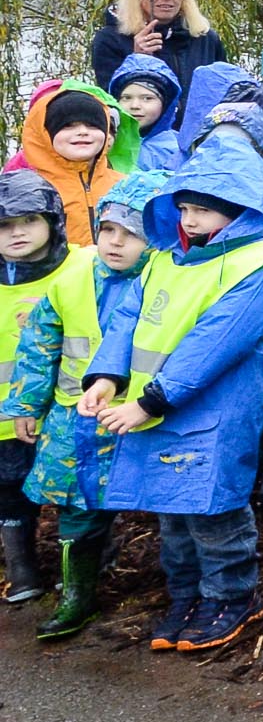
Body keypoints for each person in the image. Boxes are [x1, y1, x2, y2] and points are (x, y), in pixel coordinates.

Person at [77, 129, 263, 654]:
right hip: (155, 409)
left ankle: (231, 597)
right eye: (184, 208)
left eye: (203, 210)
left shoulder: (259, 270)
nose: (189, 220)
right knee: (172, 511)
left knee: (213, 511)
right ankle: (186, 597)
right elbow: (127, 321)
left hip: (209, 415)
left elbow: (211, 347)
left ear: (240, 209)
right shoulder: (164, 259)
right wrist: (106, 379)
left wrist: (147, 402)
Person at [4, 171, 161, 639]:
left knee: (169, 509)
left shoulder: (166, 278)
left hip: (150, 415)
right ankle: (78, 593)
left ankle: (185, 590)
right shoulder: (73, 279)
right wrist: (25, 404)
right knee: (77, 506)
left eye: (133, 233)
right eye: (108, 230)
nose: (116, 243)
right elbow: (39, 345)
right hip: (78, 416)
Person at [0, 171, 78, 602]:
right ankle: (21, 566)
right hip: (6, 420)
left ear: (52, 221)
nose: (16, 233)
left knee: (73, 489)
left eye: (28, 220)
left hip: (67, 409)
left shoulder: (81, 268)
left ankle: (81, 566)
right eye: (4, 226)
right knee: (9, 490)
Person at [89, 0, 227, 101]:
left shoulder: (204, 38)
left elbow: (225, 90)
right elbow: (111, 100)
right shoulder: (111, 39)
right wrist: (137, 60)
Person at [21, 83, 123, 246]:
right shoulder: (30, 191)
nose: (83, 131)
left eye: (92, 125)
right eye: (68, 126)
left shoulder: (125, 186)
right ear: (45, 134)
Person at [106, 54, 185, 174]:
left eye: (147, 98)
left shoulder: (180, 148)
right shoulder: (103, 143)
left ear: (165, 105)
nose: (135, 106)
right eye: (126, 98)